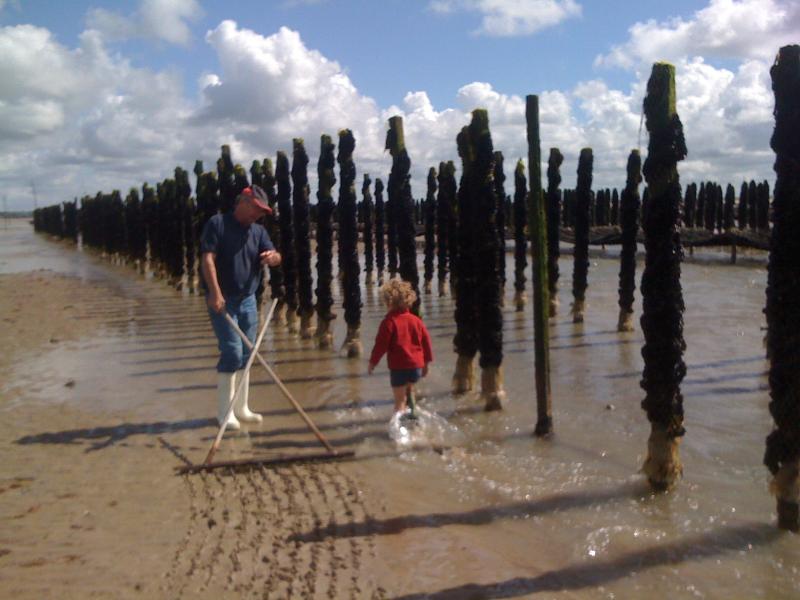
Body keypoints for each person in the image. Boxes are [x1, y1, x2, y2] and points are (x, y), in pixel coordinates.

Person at [200, 185, 282, 430]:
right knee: (232, 352)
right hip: (224, 300)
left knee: (247, 355)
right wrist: (214, 293)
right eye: (256, 209)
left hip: (248, 299)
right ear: (244, 201)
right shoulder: (218, 224)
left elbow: (277, 257)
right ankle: (224, 413)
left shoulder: (258, 231)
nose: (258, 215)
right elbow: (207, 259)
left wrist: (273, 258)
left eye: (262, 212)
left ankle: (241, 408)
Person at [368, 280, 433, 417]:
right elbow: (426, 342)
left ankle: (400, 431)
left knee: (399, 401)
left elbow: (381, 345)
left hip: (398, 368)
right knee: (410, 389)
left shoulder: (389, 322)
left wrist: (373, 362)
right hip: (416, 367)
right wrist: (426, 363)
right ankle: (413, 409)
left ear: (389, 303)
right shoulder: (416, 321)